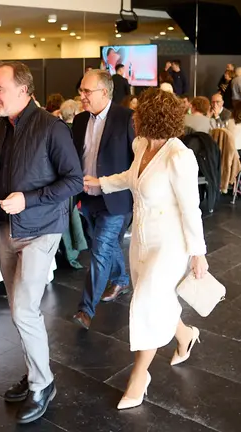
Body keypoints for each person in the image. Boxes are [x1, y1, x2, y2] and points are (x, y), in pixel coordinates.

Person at [0, 62, 83, 424]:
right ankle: (34, 374)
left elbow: (73, 180)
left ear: (23, 89)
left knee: (23, 311)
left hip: (41, 228)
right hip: (6, 229)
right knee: (20, 311)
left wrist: (29, 199)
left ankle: (43, 383)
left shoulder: (51, 127)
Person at [83, 88, 207, 410]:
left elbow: (191, 208)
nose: (133, 116)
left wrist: (198, 253)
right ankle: (185, 336)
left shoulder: (180, 156)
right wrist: (100, 182)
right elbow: (131, 177)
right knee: (158, 300)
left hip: (170, 244)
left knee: (148, 303)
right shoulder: (141, 145)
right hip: (140, 240)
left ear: (153, 116)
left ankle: (139, 376)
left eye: (138, 112)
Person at [71, 69, 135, 329]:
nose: (82, 96)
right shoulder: (78, 121)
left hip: (116, 200)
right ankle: (121, 279)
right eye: (81, 91)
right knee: (106, 246)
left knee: (100, 251)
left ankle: (86, 310)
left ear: (105, 92)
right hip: (87, 199)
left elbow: (136, 163)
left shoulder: (127, 119)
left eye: (87, 91)